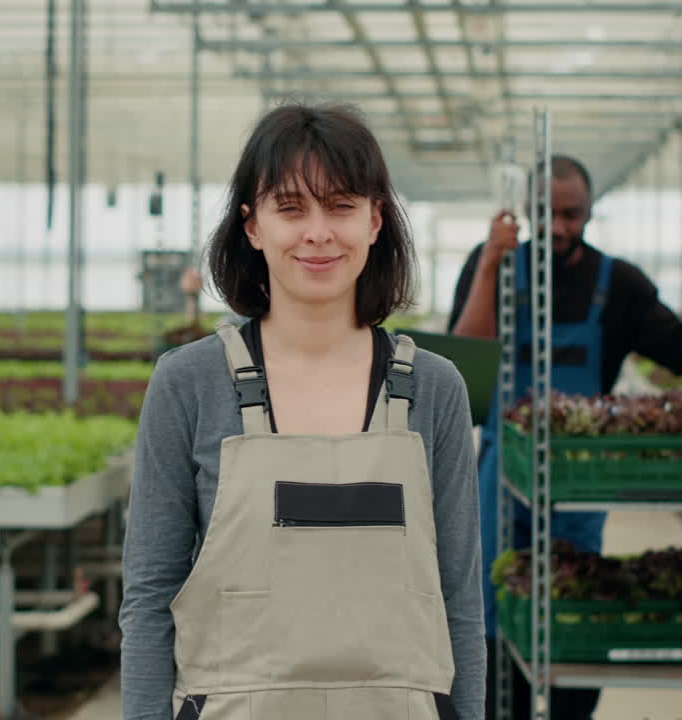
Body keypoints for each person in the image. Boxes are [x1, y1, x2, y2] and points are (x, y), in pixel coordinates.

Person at [120, 102, 486, 720]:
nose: (318, 232)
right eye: (291, 208)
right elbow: (150, 597)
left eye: (340, 206)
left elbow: (460, 601)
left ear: (375, 220)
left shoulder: (432, 388)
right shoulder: (188, 384)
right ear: (252, 226)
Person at [447, 154, 682, 720]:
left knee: (571, 614)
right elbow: (465, 361)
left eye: (571, 214)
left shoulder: (618, 282)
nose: (558, 227)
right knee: (490, 622)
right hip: (499, 476)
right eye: (545, 214)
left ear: (590, 211)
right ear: (527, 213)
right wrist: (491, 264)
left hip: (576, 487)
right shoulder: (495, 265)